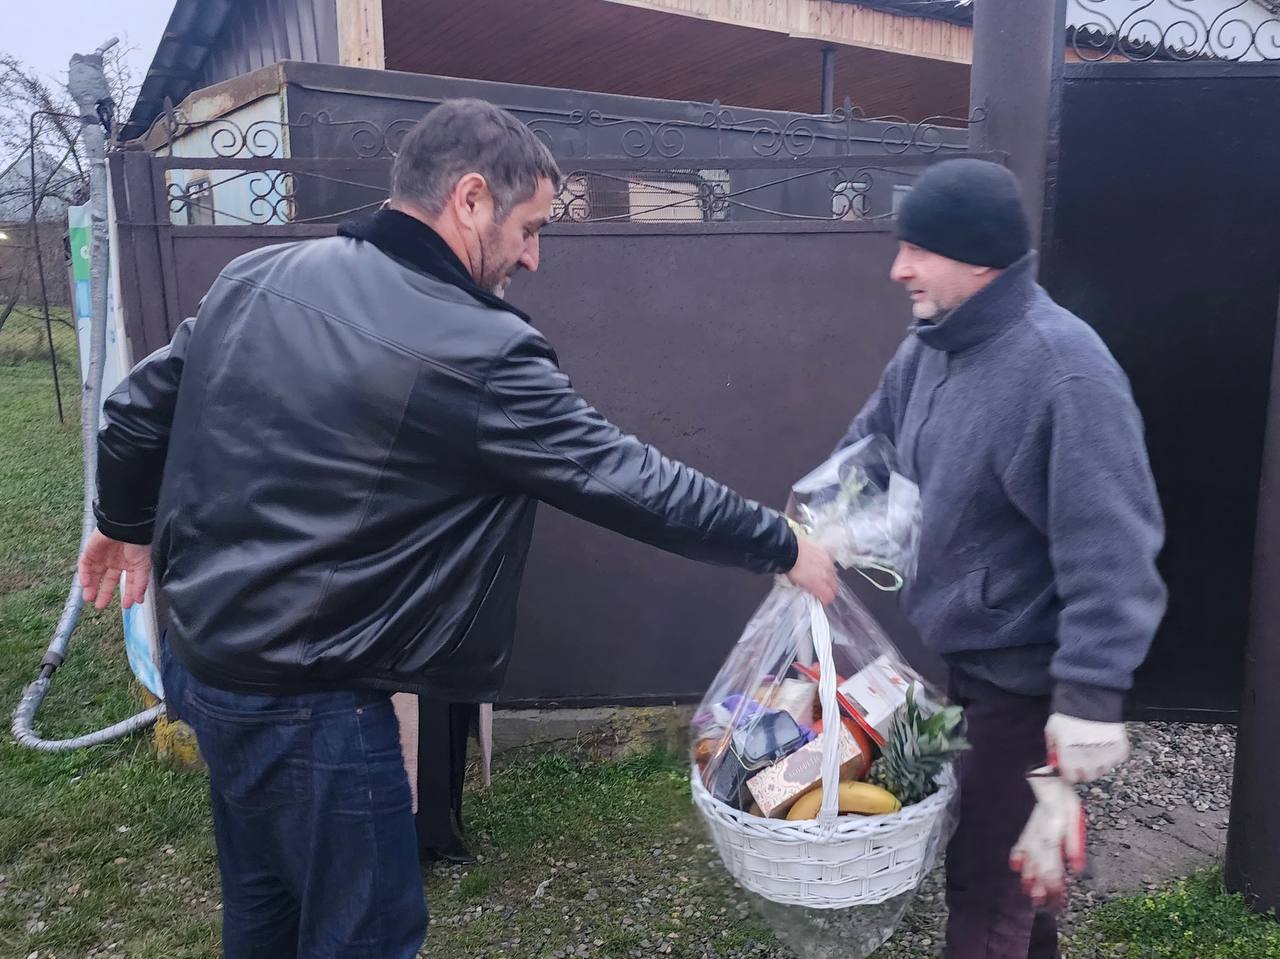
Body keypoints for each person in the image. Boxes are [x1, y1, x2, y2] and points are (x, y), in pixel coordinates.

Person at [78, 99, 839, 959]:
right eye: (530, 227)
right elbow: (629, 480)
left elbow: (134, 412)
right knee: (364, 934)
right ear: (471, 199)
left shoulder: (259, 275)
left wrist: (122, 523)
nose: (534, 255)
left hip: (208, 668)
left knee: (266, 910)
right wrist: (782, 543)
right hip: (313, 706)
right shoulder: (478, 349)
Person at [833, 159, 1166, 959]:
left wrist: (1088, 697)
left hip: (1030, 683)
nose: (898, 268)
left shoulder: (1064, 373)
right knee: (1019, 864)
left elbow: (1113, 550)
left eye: (919, 248)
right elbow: (870, 444)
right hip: (971, 657)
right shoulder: (931, 346)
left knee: (986, 885)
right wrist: (818, 523)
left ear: (979, 257)